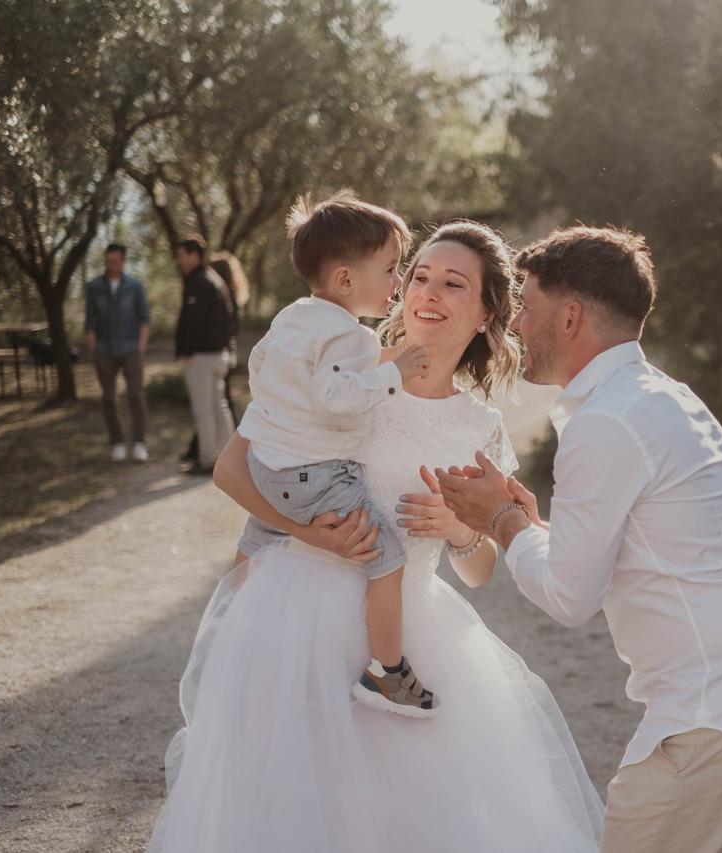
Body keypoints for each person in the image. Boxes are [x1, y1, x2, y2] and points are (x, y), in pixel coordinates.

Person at [147, 217, 603, 852]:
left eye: (453, 284)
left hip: (408, 635)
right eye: (418, 276)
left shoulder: (478, 427)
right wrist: (312, 532)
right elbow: (231, 469)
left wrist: (460, 532)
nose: (428, 293)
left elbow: (476, 571)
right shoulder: (336, 370)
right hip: (296, 624)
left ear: (484, 314)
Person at [437, 226, 722, 853]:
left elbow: (570, 598)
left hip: (711, 719)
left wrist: (502, 523)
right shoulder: (660, 397)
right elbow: (637, 551)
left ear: (570, 318)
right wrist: (533, 526)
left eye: (526, 308)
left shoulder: (607, 422)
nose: (513, 325)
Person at [234, 191, 435, 715]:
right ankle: (387, 674)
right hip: (315, 475)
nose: (399, 283)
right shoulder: (349, 334)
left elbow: (265, 366)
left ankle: (233, 623)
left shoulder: (296, 317)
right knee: (387, 562)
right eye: (392, 270)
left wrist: (385, 359)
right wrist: (396, 373)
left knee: (262, 531)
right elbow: (338, 395)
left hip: (267, 465)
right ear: (346, 281)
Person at [181, 252, 250, 465]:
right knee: (220, 403)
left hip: (218, 353)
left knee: (213, 406)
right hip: (226, 353)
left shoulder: (217, 295)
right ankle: (218, 450)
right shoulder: (230, 296)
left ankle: (212, 452)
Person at [173, 235, 234, 475]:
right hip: (219, 356)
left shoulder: (198, 282)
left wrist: (187, 351)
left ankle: (208, 459)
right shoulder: (215, 279)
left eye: (181, 255)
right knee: (219, 407)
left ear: (194, 255)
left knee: (204, 410)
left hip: (202, 357)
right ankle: (227, 457)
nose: (178, 260)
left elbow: (193, 323)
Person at [84, 243, 151, 462]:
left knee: (135, 396)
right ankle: (118, 443)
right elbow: (90, 322)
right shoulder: (94, 287)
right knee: (109, 399)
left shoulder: (135, 286)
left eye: (115, 261)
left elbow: (144, 318)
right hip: (104, 350)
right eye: (108, 261)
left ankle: (139, 443)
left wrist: (140, 347)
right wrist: (93, 350)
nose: (111, 264)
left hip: (131, 349)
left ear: (122, 261)